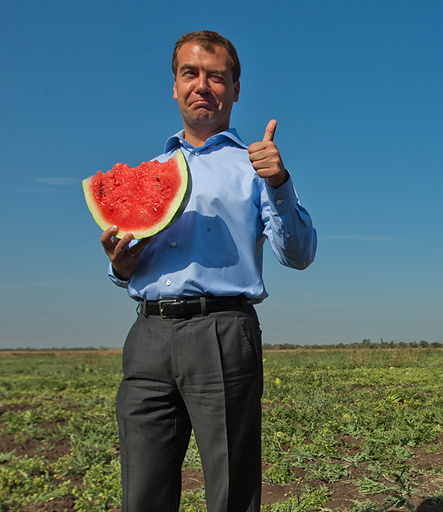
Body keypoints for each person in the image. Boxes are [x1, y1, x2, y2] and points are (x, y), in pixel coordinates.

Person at [98, 30, 317, 512]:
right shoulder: (149, 171)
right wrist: (121, 267)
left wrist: (279, 183)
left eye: (216, 76)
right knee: (142, 492)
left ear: (235, 89)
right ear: (174, 86)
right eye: (190, 73)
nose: (203, 85)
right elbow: (131, 265)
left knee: (230, 492)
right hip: (147, 336)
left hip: (222, 330)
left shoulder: (255, 167)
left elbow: (299, 254)